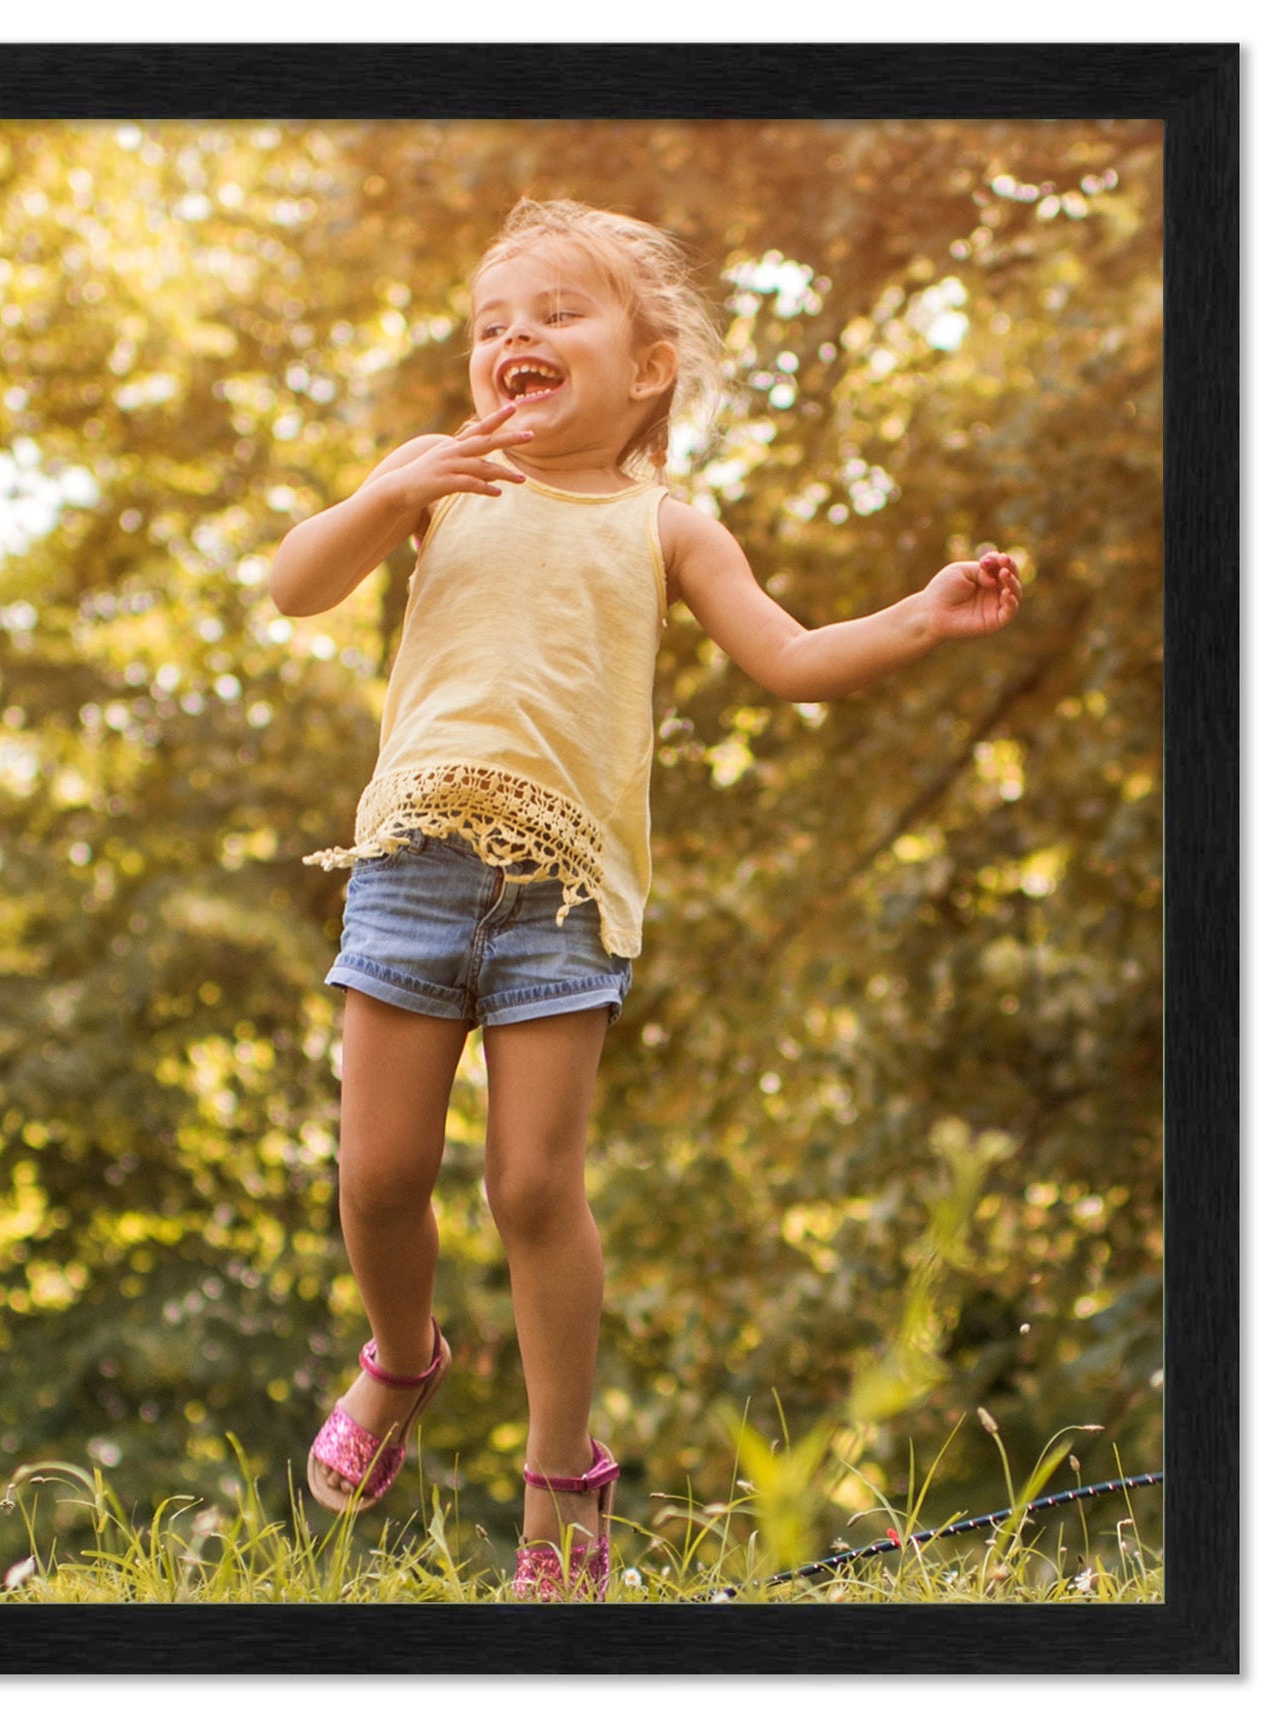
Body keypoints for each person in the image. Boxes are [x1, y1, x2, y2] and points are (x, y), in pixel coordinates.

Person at [269, 198, 1023, 1601]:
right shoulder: (438, 487)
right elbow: (292, 588)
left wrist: (917, 616)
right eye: (493, 324)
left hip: (563, 890)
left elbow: (788, 659)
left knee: (532, 1184)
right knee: (375, 1177)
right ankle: (402, 1358)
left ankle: (562, 1475)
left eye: (555, 314)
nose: (515, 339)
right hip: (412, 865)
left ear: (649, 363)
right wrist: (383, 493)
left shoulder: (669, 526)